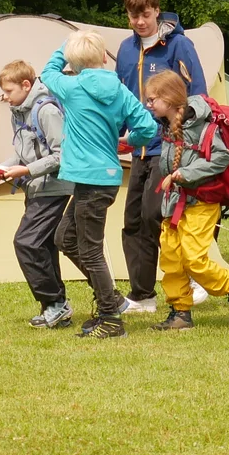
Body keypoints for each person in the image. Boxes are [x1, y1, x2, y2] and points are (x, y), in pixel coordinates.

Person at [42, 31, 161, 339]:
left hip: (89, 181)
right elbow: (148, 127)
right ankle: (112, 299)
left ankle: (110, 319)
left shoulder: (71, 87)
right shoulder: (120, 90)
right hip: (103, 180)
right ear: (102, 57)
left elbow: (47, 72)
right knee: (65, 238)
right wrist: (130, 141)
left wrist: (65, 44)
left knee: (90, 251)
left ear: (74, 62)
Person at [114, 0, 209, 317]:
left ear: (157, 10)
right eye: (133, 15)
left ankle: (192, 278)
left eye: (145, 14)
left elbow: (198, 97)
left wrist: (184, 138)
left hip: (169, 147)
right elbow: (120, 98)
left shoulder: (179, 46)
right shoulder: (126, 50)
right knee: (133, 221)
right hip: (138, 149)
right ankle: (142, 295)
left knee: (158, 216)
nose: (139, 21)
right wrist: (116, 135)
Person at [141, 70, 229, 331]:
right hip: (175, 202)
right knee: (171, 256)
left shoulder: (202, 125)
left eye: (152, 100)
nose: (148, 105)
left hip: (201, 201)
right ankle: (180, 312)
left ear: (169, 99)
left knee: (194, 258)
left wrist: (185, 173)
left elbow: (221, 157)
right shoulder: (167, 125)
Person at [0, 59, 72, 330]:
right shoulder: (18, 111)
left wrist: (26, 170)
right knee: (44, 246)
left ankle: (55, 303)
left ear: (26, 85)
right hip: (36, 187)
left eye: (8, 91)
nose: (5, 97)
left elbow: (62, 155)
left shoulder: (46, 110)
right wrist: (3, 168)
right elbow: (23, 151)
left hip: (54, 187)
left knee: (26, 242)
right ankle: (56, 307)